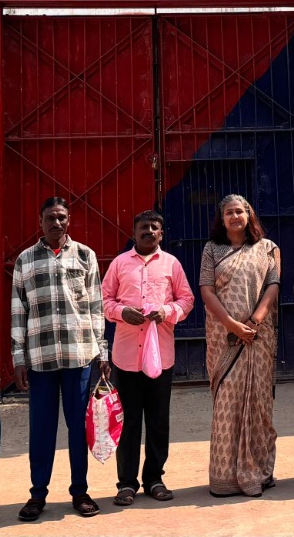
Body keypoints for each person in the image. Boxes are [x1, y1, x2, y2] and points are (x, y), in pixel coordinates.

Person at [10, 196, 110, 521]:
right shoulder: (25, 260)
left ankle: (80, 491)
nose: (56, 223)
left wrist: (102, 351)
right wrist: (18, 357)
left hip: (78, 355)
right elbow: (18, 311)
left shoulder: (85, 255)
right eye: (50, 218)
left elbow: (95, 306)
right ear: (40, 222)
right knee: (42, 429)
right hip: (40, 358)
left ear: (69, 220)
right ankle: (37, 495)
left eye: (62, 217)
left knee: (78, 427)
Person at [101, 210, 195, 506]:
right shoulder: (119, 264)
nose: (149, 231)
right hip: (126, 357)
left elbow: (187, 300)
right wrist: (121, 312)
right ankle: (126, 484)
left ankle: (154, 478)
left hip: (160, 357)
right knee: (128, 422)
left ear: (161, 234)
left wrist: (167, 311)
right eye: (144, 227)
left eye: (155, 227)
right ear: (134, 232)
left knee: (157, 421)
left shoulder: (172, 264)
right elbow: (104, 300)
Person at [200, 194, 281, 497]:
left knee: (259, 404)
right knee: (227, 403)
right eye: (229, 213)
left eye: (240, 211)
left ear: (249, 215)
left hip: (259, 338)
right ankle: (224, 478)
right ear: (222, 219)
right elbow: (206, 290)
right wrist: (232, 325)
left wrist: (255, 321)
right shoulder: (212, 250)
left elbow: (273, 285)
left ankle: (259, 472)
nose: (235, 217)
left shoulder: (268, 248)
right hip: (224, 338)